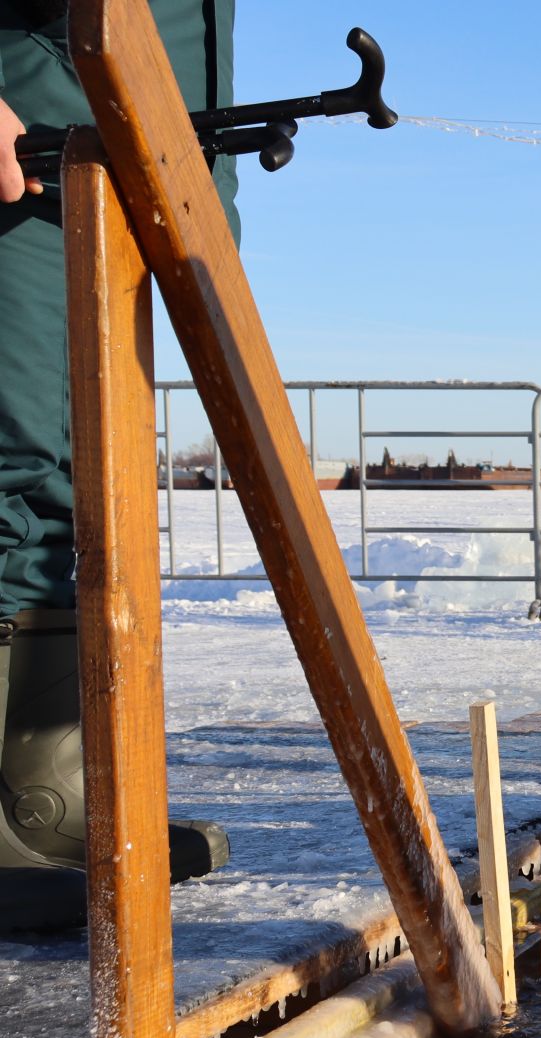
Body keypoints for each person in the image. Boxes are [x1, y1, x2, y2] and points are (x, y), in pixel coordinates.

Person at [0, 1, 238, 929]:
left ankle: (43, 779)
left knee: (84, 461)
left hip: (158, 95)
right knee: (19, 448)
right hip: (33, 84)